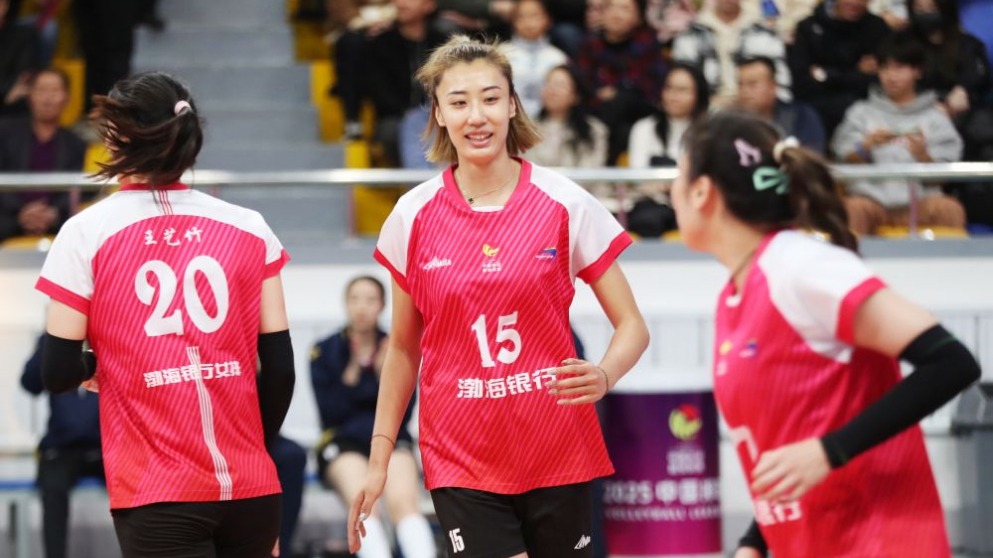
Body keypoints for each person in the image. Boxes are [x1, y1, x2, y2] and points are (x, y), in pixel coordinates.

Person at [348, 35, 650, 558]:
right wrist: (379, 462)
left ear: (512, 104)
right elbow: (402, 348)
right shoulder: (412, 215)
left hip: (557, 445)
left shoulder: (564, 202)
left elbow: (633, 326)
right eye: (458, 102)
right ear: (439, 113)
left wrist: (604, 374)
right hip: (461, 454)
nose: (476, 116)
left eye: (490, 98)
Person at [668, 110, 980, 558]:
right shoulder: (738, 289)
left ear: (702, 191)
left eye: (678, 175)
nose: (670, 191)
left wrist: (831, 451)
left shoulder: (800, 266)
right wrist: (754, 541)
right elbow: (793, 436)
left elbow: (952, 362)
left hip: (879, 542)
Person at [34, 72, 295, 558]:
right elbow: (280, 370)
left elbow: (57, 372)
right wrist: (259, 456)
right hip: (253, 491)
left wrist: (102, 364)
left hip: (158, 491)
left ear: (118, 138)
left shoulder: (85, 231)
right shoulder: (250, 226)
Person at [311, 275, 435, 558]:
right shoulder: (325, 350)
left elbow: (406, 411)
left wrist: (383, 374)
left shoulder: (397, 348)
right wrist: (354, 368)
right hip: (343, 441)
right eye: (354, 299)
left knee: (404, 504)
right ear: (345, 303)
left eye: (370, 300)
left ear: (382, 305)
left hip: (390, 437)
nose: (361, 307)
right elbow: (330, 413)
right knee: (367, 508)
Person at [831, 33, 965, 235]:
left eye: (899, 68)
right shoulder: (860, 112)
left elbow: (943, 178)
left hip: (921, 202)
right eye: (885, 68)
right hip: (870, 201)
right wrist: (866, 146)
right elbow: (844, 157)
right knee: (852, 208)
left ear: (917, 71)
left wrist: (923, 156)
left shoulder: (935, 118)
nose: (891, 76)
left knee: (949, 209)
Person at [21, 334, 103, 558]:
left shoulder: (108, 335)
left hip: (104, 447)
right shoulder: (54, 339)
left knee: (134, 484)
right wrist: (52, 339)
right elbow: (30, 384)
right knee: (52, 489)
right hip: (62, 449)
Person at [0, 68, 87, 242]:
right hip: (7, 220)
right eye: (42, 90)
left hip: (56, 225)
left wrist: (52, 213)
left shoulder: (75, 143)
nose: (47, 99)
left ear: (66, 97)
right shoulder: (5, 133)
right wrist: (23, 212)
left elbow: (75, 190)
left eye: (54, 91)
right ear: (30, 95)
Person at [576, 0, 667, 164]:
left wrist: (619, 91)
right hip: (595, 112)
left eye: (625, 8)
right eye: (611, 7)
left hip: (636, 112)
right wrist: (600, 94)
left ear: (639, 17)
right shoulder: (589, 44)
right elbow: (580, 83)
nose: (616, 14)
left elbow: (650, 89)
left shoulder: (647, 44)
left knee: (621, 105)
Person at [626, 63, 710, 237]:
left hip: (693, 203)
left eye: (682, 90)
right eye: (669, 88)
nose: (673, 96)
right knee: (647, 220)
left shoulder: (708, 133)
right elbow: (638, 177)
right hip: (652, 204)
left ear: (699, 95)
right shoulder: (644, 128)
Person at [790, 0, 891, 140]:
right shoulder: (808, 27)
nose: (855, 3)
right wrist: (856, 73)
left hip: (865, 116)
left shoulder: (877, 28)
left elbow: (879, 79)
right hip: (816, 113)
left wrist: (827, 75)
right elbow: (801, 84)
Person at [906, 0, 992, 159]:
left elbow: (979, 74)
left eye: (932, 8)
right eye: (920, 9)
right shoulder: (905, 44)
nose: (926, 15)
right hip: (917, 110)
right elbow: (901, 78)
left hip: (965, 111)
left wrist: (964, 89)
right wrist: (931, 104)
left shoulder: (968, 43)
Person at [672, 0, 789, 107]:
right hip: (704, 112)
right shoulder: (691, 34)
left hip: (755, 112)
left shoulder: (763, 33)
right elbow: (681, 83)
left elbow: (781, 85)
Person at [527, 66, 611, 209]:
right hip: (535, 204)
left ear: (576, 96)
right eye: (548, 83)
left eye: (560, 85)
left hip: (582, 203)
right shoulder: (526, 128)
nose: (551, 90)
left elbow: (590, 174)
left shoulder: (594, 131)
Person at [736, 57, 826, 153]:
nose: (744, 91)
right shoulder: (733, 123)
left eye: (752, 84)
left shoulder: (801, 117)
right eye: (740, 84)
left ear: (773, 86)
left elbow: (813, 154)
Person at [504, 0, 568, 118]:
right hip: (509, 119)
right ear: (512, 21)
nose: (529, 23)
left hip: (549, 122)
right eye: (521, 17)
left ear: (548, 19)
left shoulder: (558, 58)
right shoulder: (502, 54)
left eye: (535, 16)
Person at [0, 0, 39, 116]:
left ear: (5, 5)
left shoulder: (23, 35)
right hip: (6, 97)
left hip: (11, 108)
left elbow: (22, 76)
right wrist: (4, 96)